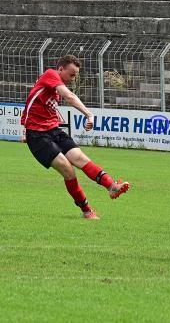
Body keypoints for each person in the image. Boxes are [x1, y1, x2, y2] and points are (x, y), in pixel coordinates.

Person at [21, 54, 130, 220]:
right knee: (68, 169)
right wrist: (89, 114)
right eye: (71, 74)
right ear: (61, 69)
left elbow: (34, 102)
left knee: (79, 158)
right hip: (38, 136)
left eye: (76, 75)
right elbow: (70, 97)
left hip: (53, 130)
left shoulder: (53, 86)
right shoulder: (51, 74)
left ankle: (112, 186)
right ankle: (87, 211)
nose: (73, 78)